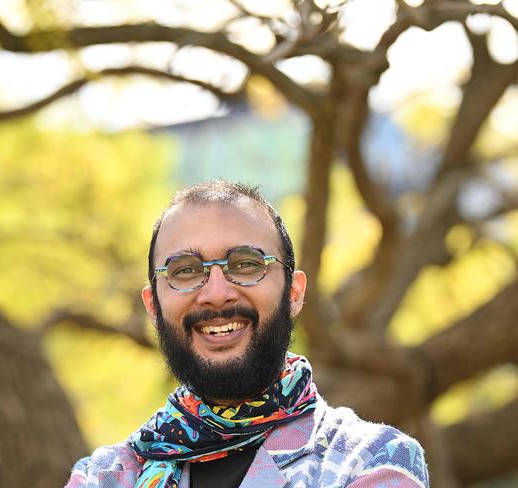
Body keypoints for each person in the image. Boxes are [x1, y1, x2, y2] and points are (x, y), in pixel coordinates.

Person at [65, 181, 428, 488]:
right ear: (153, 308)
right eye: (186, 270)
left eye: (246, 264)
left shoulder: (371, 460)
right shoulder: (104, 476)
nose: (217, 292)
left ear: (294, 293)